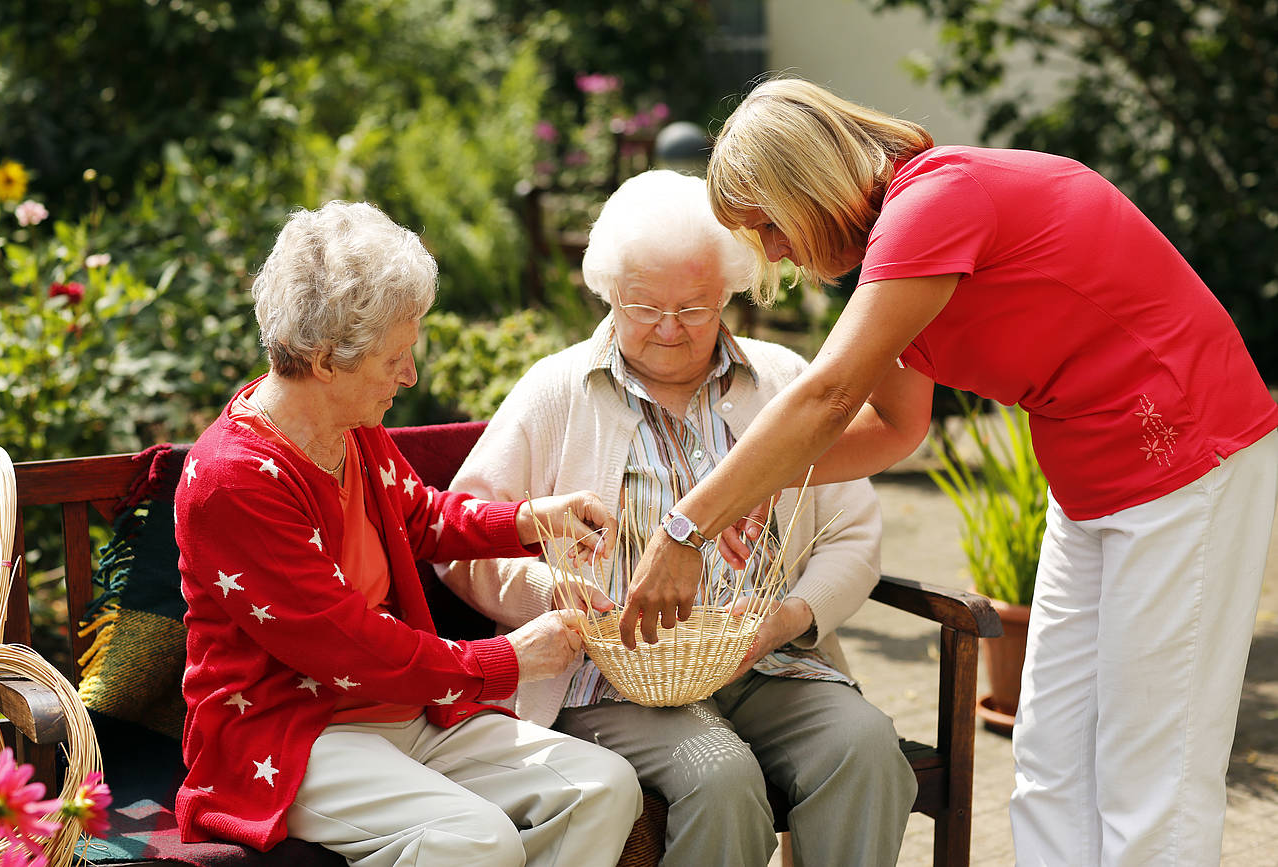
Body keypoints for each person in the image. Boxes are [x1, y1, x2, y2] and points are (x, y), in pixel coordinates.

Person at [619, 78, 1278, 866]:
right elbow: (894, 426)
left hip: (1185, 459)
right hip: (1092, 477)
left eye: (767, 225)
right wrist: (759, 491)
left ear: (805, 185)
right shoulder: (892, 252)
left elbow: (827, 397)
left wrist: (688, 525)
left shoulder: (936, 201)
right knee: (1049, 751)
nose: (772, 251)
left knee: (1152, 767)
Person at [440, 170, 917, 866]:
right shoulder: (555, 392)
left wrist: (789, 619)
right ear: (609, 291)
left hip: (766, 660)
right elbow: (462, 538)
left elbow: (849, 532)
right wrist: (552, 594)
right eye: (643, 306)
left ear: (726, 289)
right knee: (718, 775)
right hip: (607, 677)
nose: (668, 328)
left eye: (693, 308)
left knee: (866, 746)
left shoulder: (784, 380)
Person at [173, 200, 641, 867]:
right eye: (395, 357)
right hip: (292, 734)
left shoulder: (350, 424)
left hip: (404, 707)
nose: (410, 375)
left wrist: (532, 519)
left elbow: (415, 515)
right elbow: (346, 645)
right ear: (325, 359)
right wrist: (507, 659)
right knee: (475, 838)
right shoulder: (234, 480)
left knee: (603, 787)